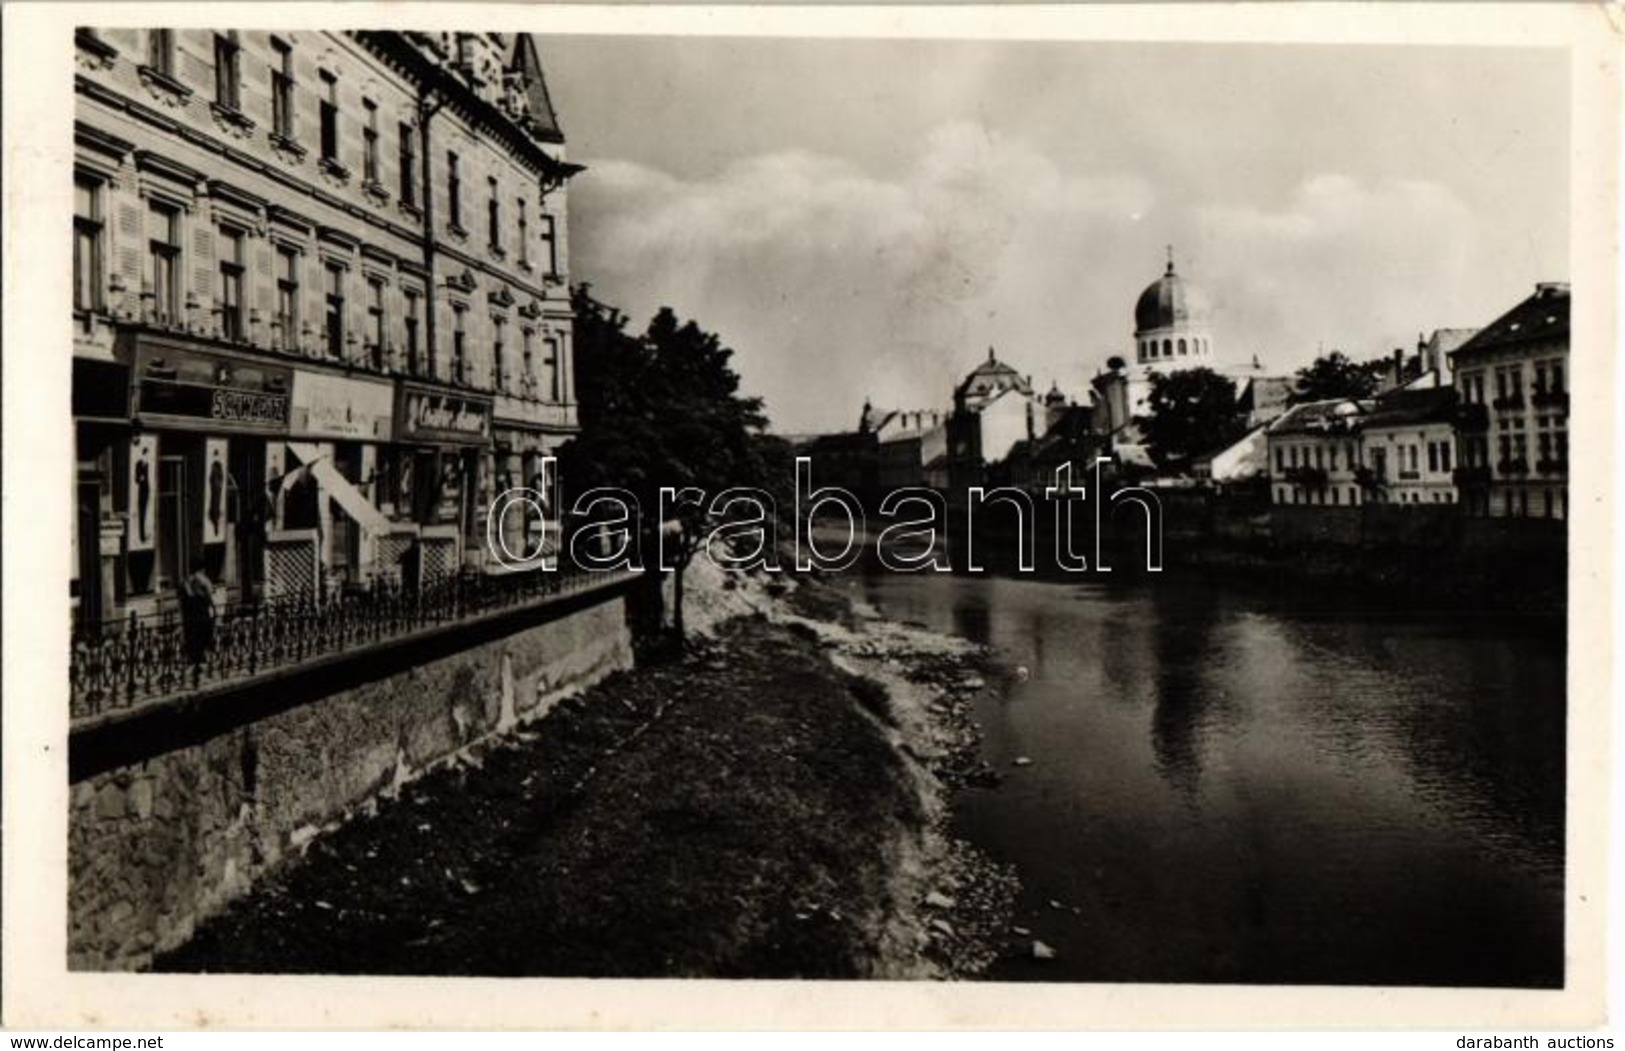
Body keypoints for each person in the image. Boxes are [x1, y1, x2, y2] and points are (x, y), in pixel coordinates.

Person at [178, 557, 216, 667]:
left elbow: (182, 597)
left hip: (189, 612)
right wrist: (213, 608)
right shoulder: (203, 579)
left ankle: (192, 656)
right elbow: (209, 594)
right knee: (203, 632)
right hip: (201, 610)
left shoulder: (186, 581)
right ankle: (201, 655)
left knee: (192, 634)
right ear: (201, 569)